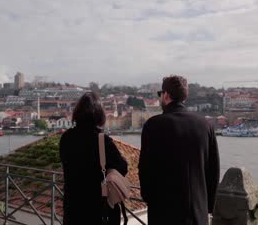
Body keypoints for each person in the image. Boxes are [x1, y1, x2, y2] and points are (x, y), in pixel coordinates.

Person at [138, 75, 220, 225]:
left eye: (160, 94)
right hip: (197, 211)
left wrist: (149, 198)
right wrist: (207, 206)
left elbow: (145, 169)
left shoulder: (153, 125)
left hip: (163, 211)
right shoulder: (205, 125)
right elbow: (213, 170)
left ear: (166, 95)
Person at [60, 92, 128, 225]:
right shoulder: (102, 140)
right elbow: (122, 168)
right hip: (98, 209)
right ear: (99, 114)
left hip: (73, 208)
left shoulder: (66, 138)